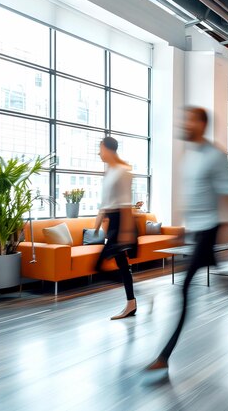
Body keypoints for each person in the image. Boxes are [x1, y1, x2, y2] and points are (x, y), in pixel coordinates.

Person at [147, 108, 228, 371]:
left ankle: (164, 356)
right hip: (196, 231)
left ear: (201, 124)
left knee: (185, 290)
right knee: (227, 287)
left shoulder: (214, 155)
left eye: (189, 120)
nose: (184, 123)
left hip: (209, 232)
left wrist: (222, 241)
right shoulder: (190, 156)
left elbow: (227, 197)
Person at [94, 136, 137, 320]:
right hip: (112, 222)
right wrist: (97, 223)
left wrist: (125, 232)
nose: (99, 152)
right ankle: (132, 302)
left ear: (108, 149)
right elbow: (106, 202)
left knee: (98, 266)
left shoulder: (122, 171)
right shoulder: (110, 171)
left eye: (100, 148)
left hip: (121, 222)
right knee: (120, 265)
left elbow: (126, 204)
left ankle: (134, 297)